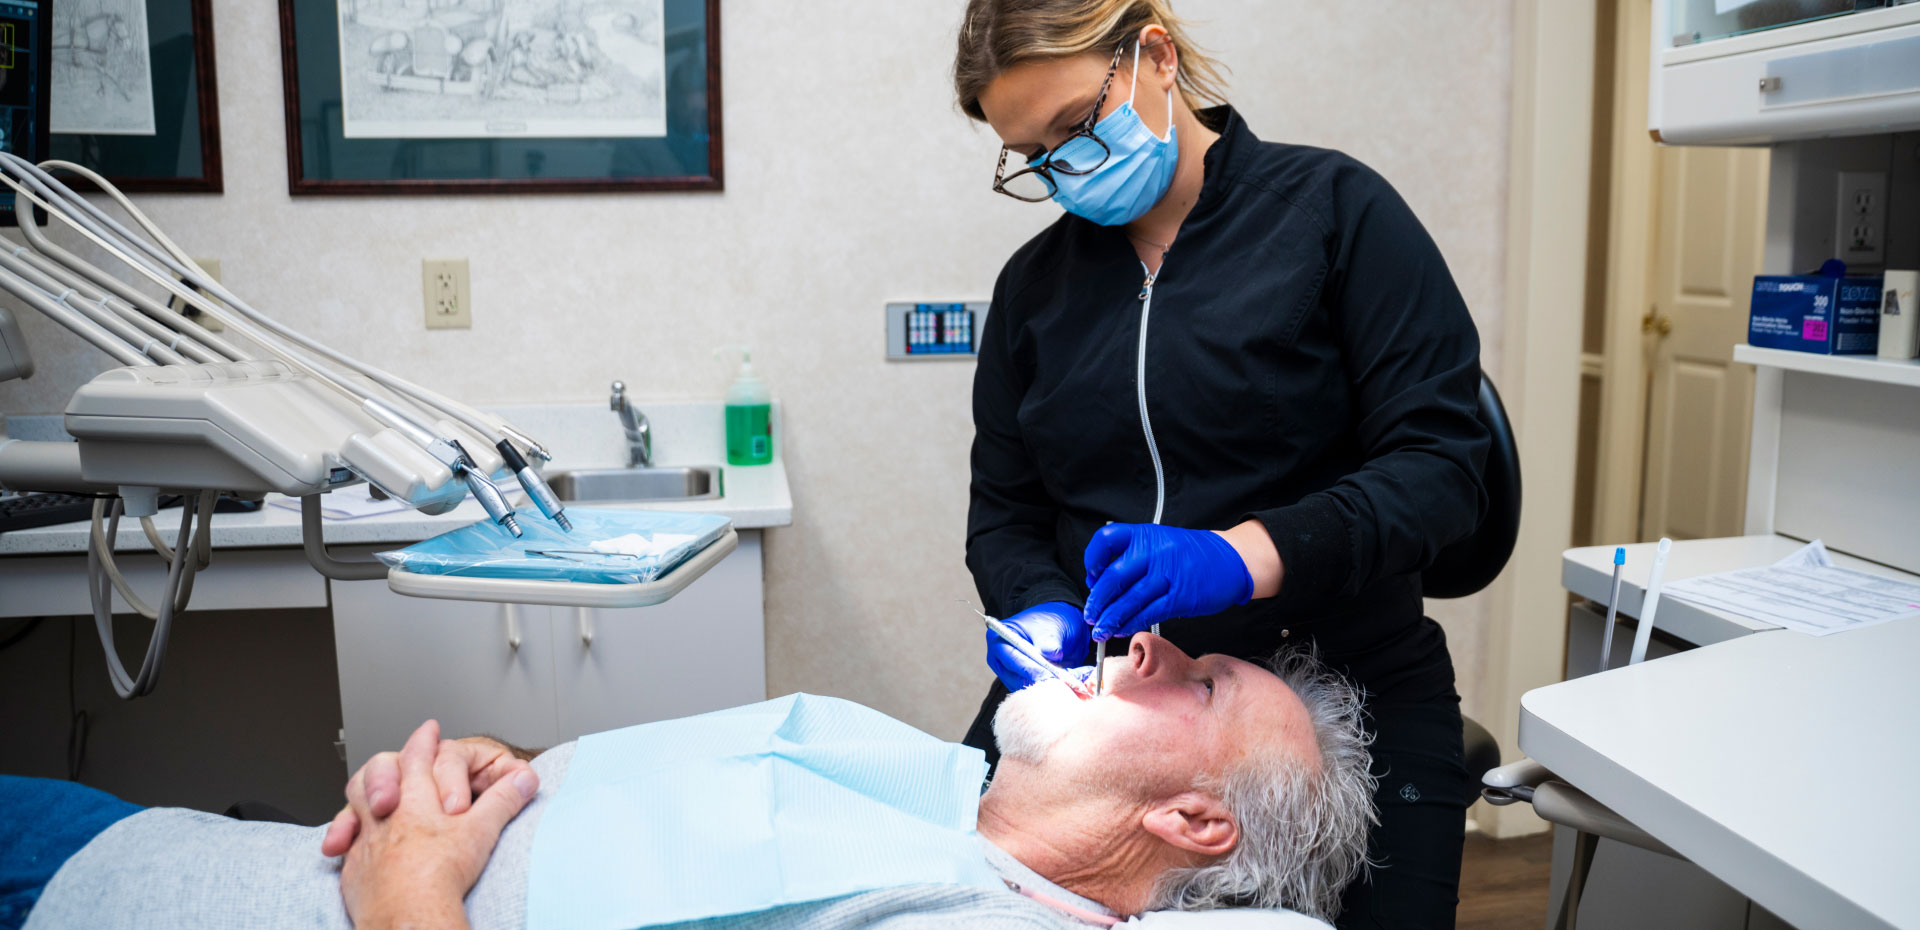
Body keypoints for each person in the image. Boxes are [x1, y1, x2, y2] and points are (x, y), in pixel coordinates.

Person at [951, 2, 1490, 927]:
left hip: (1337, 692)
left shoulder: (1333, 215)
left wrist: (1244, 556)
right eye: (1033, 155)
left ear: (1156, 56)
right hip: (1117, 696)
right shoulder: (1034, 291)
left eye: (1076, 126)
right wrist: (1040, 606)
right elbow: (1005, 514)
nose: (1064, 167)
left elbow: (1442, 472)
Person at [1, 636, 1372, 930]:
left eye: (1199, 684)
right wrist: (512, 777)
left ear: (1193, 821)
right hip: (148, 849)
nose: (1149, 643)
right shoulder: (922, 794)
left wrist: (413, 891)